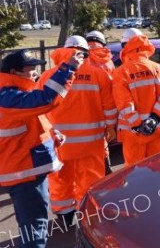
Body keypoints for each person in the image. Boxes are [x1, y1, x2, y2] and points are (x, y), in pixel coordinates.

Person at [0, 49, 82, 248]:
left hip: (25, 171)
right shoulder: (6, 97)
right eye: (31, 69)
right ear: (14, 72)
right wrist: (68, 69)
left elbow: (32, 121)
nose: (36, 72)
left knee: (33, 227)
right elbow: (46, 99)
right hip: (24, 175)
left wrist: (54, 136)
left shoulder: (13, 93)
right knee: (35, 232)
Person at [38, 36, 117, 227]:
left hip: (59, 144)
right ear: (85, 52)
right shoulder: (98, 74)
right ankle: (89, 219)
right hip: (91, 143)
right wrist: (110, 128)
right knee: (90, 180)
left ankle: (64, 219)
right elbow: (110, 108)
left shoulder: (47, 76)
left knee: (60, 181)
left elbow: (39, 110)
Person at [112, 28, 160, 166]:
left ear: (125, 46)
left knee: (135, 175)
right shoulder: (159, 68)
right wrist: (154, 118)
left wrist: (138, 125)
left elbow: (124, 103)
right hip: (158, 130)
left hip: (133, 135)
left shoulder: (120, 72)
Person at [85, 30, 117, 175]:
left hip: (79, 110)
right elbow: (113, 90)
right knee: (101, 145)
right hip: (102, 112)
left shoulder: (79, 58)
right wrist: (111, 124)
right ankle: (105, 172)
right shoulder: (107, 61)